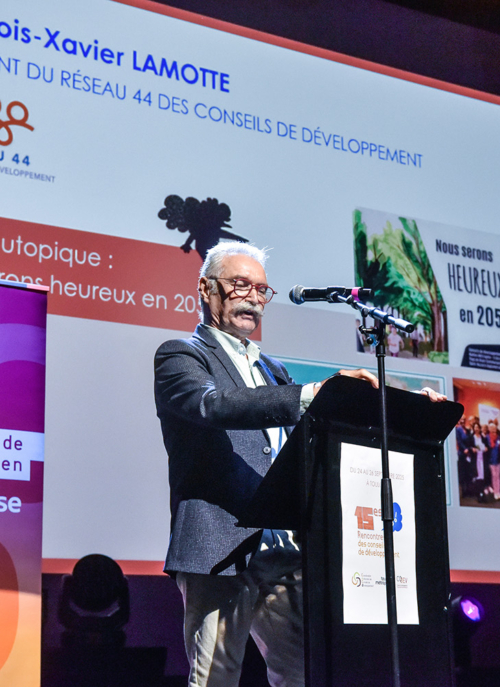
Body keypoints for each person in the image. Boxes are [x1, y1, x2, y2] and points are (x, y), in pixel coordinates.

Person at [154, 241, 445, 687]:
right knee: (215, 677)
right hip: (218, 545)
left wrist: (408, 412)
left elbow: (312, 435)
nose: (253, 298)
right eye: (240, 285)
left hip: (283, 550)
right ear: (205, 288)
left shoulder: (273, 370)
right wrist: (314, 393)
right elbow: (212, 405)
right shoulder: (182, 354)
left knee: (305, 673)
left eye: (261, 290)